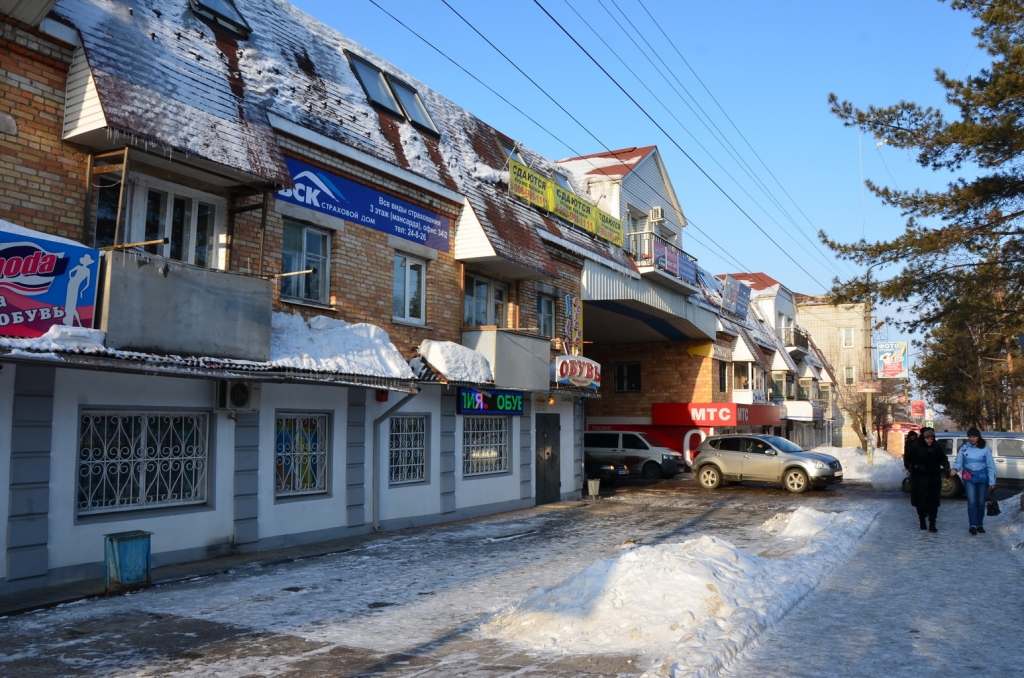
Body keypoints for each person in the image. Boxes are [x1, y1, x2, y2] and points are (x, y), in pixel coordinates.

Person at [951, 427, 996, 535]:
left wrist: (991, 481)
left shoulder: (985, 448)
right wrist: (955, 469)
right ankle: (973, 525)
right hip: (969, 478)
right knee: (971, 502)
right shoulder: (964, 448)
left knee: (980, 502)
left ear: (978, 437)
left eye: (974, 437)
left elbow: (991, 466)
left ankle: (980, 524)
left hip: (982, 479)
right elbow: (959, 462)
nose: (972, 439)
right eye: (970, 437)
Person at [904, 428, 949, 532]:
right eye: (927, 438)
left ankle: (932, 524)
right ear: (923, 438)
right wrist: (915, 467)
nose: (930, 441)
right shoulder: (916, 447)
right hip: (919, 480)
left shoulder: (937, 447)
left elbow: (943, 458)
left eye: (931, 438)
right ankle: (922, 521)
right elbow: (907, 461)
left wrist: (946, 467)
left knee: (934, 502)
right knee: (920, 502)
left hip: (934, 479)